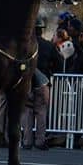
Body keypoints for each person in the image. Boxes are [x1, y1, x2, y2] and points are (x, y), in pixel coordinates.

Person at [23, 17, 63, 150]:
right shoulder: (49, 46)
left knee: (27, 111)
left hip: (27, 82)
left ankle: (27, 141)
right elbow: (59, 63)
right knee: (41, 111)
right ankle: (40, 141)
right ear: (41, 30)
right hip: (43, 82)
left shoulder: (25, 46)